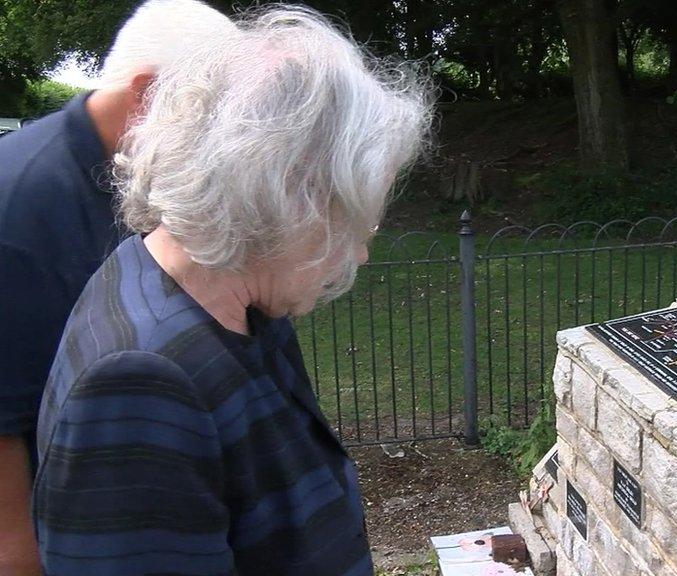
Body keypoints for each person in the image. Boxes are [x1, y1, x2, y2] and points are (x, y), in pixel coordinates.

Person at [32, 5, 432, 575]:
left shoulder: (230, 303)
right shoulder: (138, 383)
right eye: (357, 222)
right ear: (291, 199)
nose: (361, 253)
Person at [0, 2, 236, 574]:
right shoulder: (19, 206)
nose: (226, 141)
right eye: (216, 116)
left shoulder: (134, 171)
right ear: (149, 96)